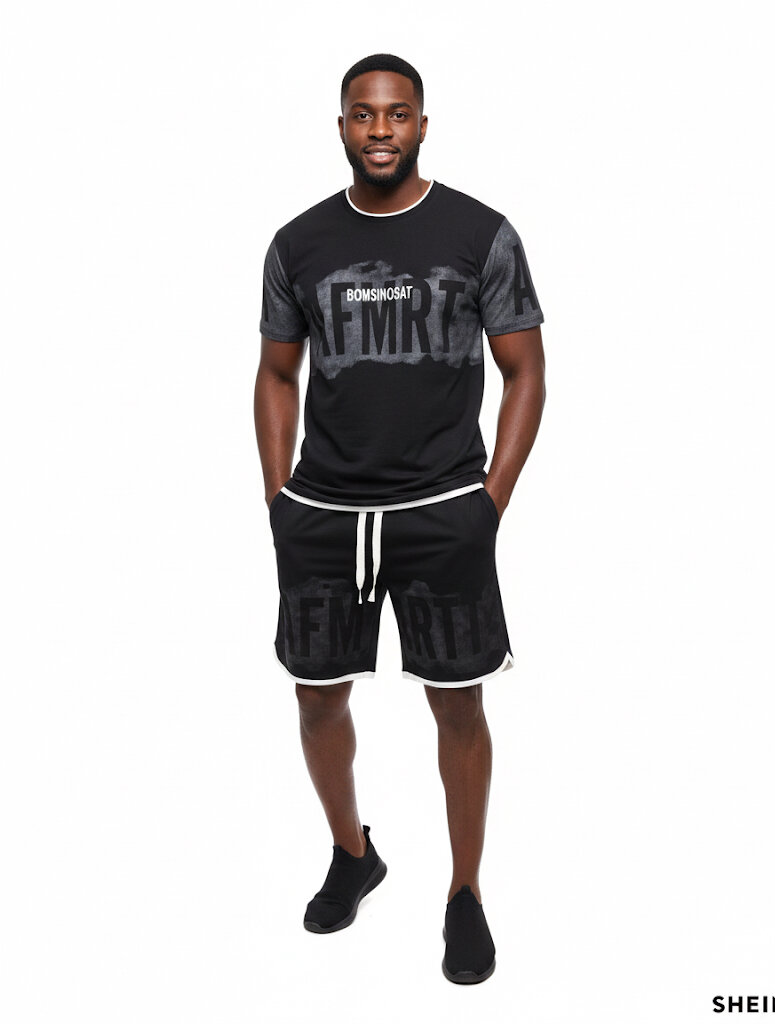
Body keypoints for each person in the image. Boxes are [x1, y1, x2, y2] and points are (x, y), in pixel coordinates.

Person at [254, 53, 546, 984]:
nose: (380, 129)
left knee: (458, 703)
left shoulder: (481, 233)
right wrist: (278, 498)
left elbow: (526, 372)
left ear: (422, 123)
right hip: (325, 513)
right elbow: (275, 374)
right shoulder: (297, 244)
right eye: (363, 113)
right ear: (341, 124)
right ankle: (353, 854)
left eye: (397, 113)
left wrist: (489, 503)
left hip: (441, 510)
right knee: (316, 697)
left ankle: (465, 893)